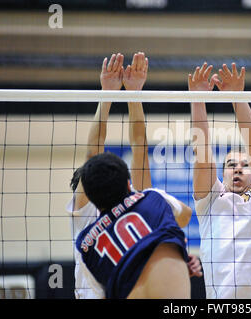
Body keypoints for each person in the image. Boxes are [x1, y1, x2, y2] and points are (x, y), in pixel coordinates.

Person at [67, 52, 201, 299]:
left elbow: (124, 148)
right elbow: (129, 147)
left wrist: (117, 94)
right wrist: (130, 94)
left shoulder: (127, 206)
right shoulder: (140, 202)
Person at [189, 62, 251, 299]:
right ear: (222, 175)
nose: (239, 170)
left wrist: (237, 98)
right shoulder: (210, 201)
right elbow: (202, 155)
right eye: (231, 165)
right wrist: (197, 100)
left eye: (246, 165)